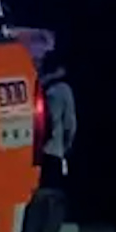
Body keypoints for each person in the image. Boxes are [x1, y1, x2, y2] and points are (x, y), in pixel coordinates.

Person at [39, 50, 77, 191]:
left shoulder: (40, 86)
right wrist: (68, 146)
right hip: (56, 150)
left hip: (39, 151)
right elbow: (69, 123)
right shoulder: (63, 89)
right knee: (55, 191)